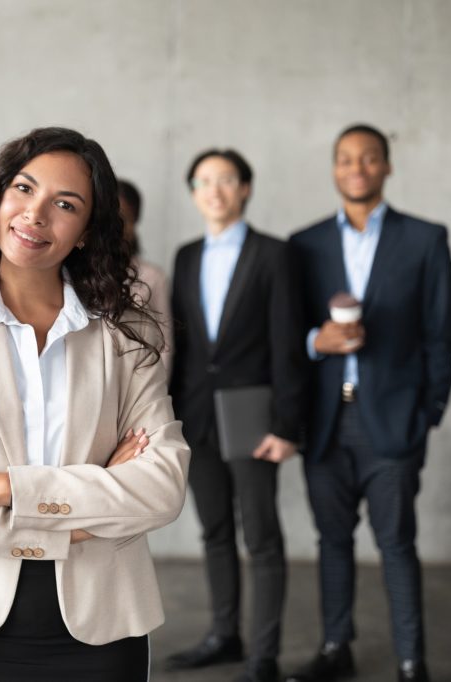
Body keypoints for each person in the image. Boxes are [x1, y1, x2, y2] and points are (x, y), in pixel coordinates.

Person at [0, 127, 191, 681]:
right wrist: (84, 510)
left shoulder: (128, 334)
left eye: (65, 204)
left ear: (88, 232)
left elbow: (161, 488)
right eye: (23, 188)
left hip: (101, 623)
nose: (36, 214)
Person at [284, 125, 451, 682]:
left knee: (397, 542)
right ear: (334, 169)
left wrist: (427, 413)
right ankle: (337, 647)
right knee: (331, 540)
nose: (356, 167)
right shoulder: (304, 244)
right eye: (345, 159)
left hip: (394, 422)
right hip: (326, 419)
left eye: (369, 158)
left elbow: (441, 335)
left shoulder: (425, 239)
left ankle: (411, 661)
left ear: (386, 167)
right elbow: (286, 333)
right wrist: (317, 341)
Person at [165, 149, 307, 682]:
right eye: (204, 180)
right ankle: (225, 635)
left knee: (262, 538)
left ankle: (263, 657)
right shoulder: (185, 256)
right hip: (197, 417)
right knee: (214, 532)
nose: (215, 189)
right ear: (194, 192)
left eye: (226, 179)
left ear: (245, 188)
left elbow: (286, 341)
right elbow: (186, 345)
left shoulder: (275, 254)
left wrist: (287, 426)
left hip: (255, 419)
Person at [117, 178, 174, 371]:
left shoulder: (152, 277)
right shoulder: (71, 273)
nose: (115, 227)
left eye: (123, 219)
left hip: (138, 383)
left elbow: (164, 345)